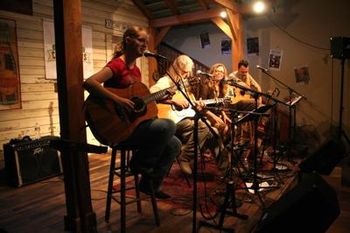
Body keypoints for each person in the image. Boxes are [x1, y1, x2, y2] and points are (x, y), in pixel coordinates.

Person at [83, 26, 181, 199]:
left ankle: (149, 184)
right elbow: (90, 83)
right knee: (167, 125)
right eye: (141, 40)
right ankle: (139, 164)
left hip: (135, 124)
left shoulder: (136, 70)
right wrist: (119, 100)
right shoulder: (117, 65)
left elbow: (139, 101)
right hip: (120, 127)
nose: (145, 45)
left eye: (146, 42)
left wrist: (167, 98)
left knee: (175, 144)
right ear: (128, 40)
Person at [150, 55, 228, 175]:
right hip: (170, 121)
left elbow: (190, 103)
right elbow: (150, 96)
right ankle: (185, 157)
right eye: (184, 72)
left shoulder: (182, 84)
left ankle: (225, 170)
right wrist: (172, 101)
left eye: (187, 72)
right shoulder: (164, 81)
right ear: (176, 68)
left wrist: (198, 106)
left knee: (214, 133)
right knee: (204, 126)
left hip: (185, 119)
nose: (186, 75)